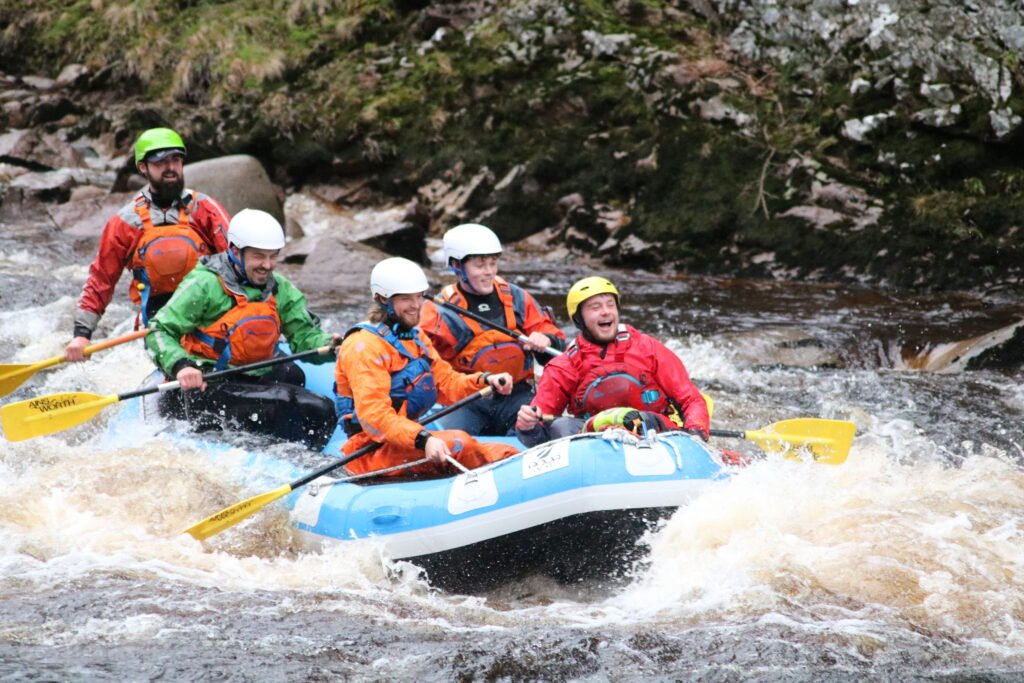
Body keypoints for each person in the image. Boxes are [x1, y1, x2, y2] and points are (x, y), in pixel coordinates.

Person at [145, 209, 337, 449]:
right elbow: (158, 330)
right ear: (235, 251)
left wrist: (330, 345)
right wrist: (182, 366)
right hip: (209, 383)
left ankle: (271, 437)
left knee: (293, 374)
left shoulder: (279, 288)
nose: (267, 265)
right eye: (259, 257)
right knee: (318, 410)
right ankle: (298, 459)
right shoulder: (204, 284)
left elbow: (305, 336)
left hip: (251, 375)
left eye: (273, 256)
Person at [334, 256, 521, 478]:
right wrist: (423, 439)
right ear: (382, 299)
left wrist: (484, 380)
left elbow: (447, 384)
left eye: (419, 297)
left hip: (405, 441)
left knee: (509, 452)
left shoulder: (415, 337)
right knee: (461, 443)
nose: (415, 306)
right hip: (368, 452)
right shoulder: (363, 346)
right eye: (406, 299)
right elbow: (375, 417)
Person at [65, 127, 231, 361]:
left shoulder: (205, 209)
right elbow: (102, 278)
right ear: (143, 167)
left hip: (209, 313)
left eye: (175, 160)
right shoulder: (125, 221)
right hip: (157, 322)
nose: (170, 168)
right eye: (160, 162)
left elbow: (240, 260)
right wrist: (82, 334)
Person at [515, 276, 710, 447]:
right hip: (595, 443)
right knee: (561, 426)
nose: (606, 312)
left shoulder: (648, 348)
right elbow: (539, 432)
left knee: (644, 419)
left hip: (652, 434)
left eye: (610, 304)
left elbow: (691, 399)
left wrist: (696, 433)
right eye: (595, 307)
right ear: (578, 318)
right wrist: (527, 427)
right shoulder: (564, 366)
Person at [419, 223, 566, 436]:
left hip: (517, 396)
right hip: (467, 400)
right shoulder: (438, 312)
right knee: (452, 442)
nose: (489, 272)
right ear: (456, 265)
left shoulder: (516, 298)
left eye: (492, 263)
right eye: (480, 265)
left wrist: (546, 341)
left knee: (537, 431)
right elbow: (421, 364)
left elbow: (559, 353)